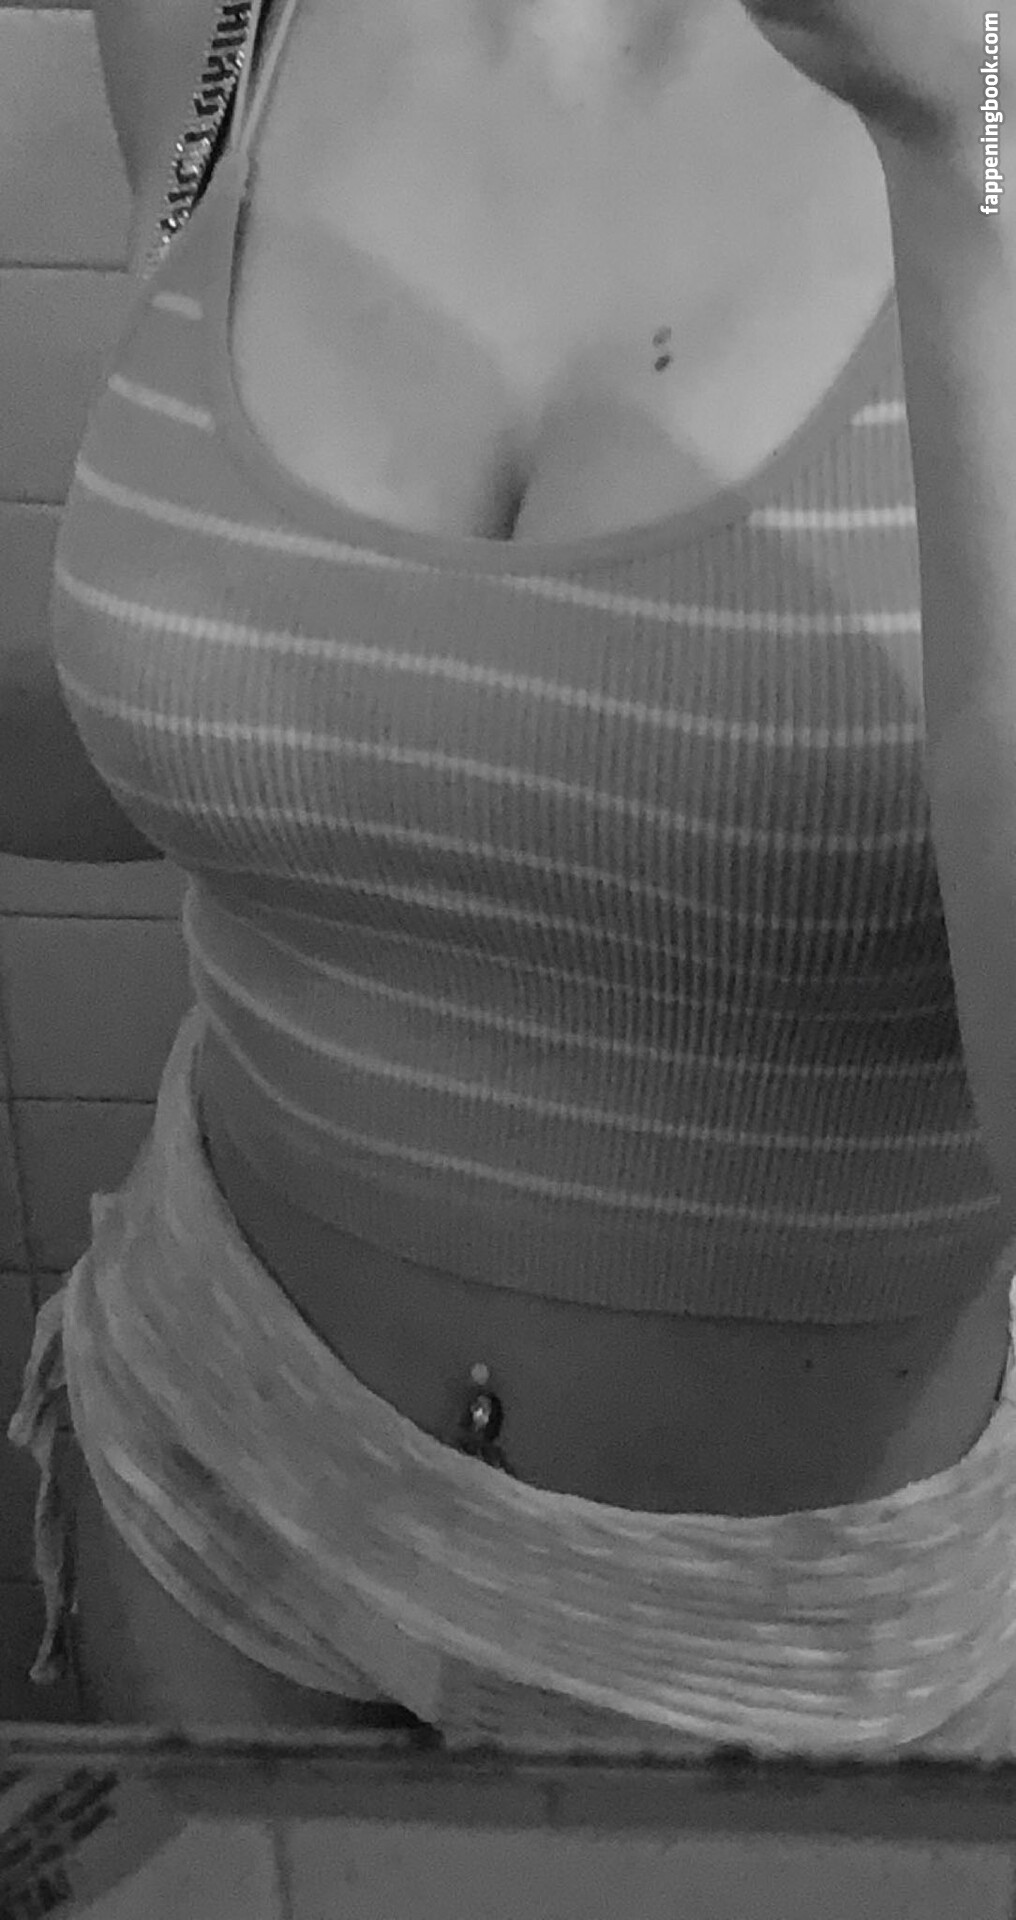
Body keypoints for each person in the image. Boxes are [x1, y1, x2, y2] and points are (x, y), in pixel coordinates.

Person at [7, 0, 1016, 1758]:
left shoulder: (982, 92)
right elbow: (336, 744)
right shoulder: (220, 21)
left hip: (800, 1661)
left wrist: (966, 170)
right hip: (211, 1488)